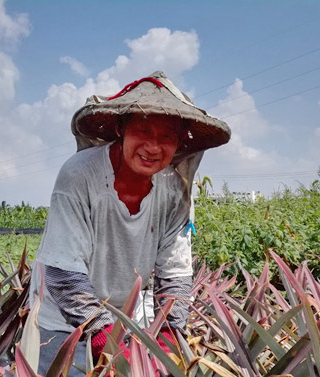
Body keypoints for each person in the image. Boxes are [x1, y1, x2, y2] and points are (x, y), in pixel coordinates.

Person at [28, 71, 231, 376]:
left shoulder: (174, 191)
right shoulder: (80, 175)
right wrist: (101, 336)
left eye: (167, 136)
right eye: (143, 131)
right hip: (62, 323)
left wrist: (168, 335)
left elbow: (175, 272)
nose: (153, 146)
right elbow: (63, 270)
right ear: (121, 130)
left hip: (123, 320)